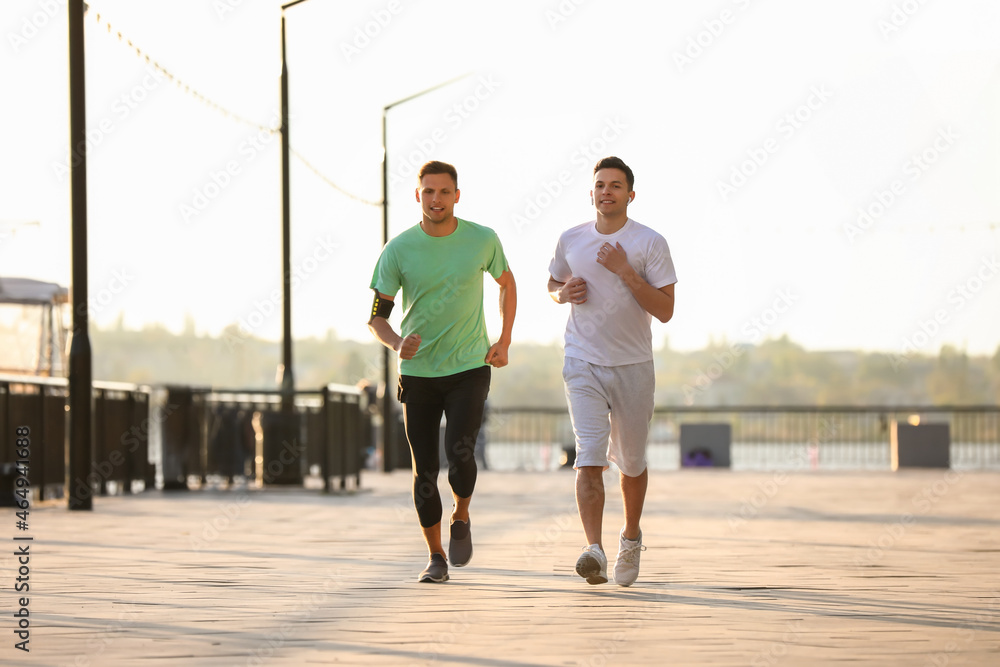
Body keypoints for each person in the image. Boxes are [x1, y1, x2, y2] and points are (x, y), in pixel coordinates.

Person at [368, 160, 516, 583]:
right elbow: (377, 317)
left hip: (470, 366)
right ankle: (435, 557)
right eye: (428, 192)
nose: (436, 199)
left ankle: (462, 515)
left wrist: (503, 340)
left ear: (456, 195)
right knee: (425, 469)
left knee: (461, 454)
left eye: (444, 192)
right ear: (418, 195)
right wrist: (398, 343)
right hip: (418, 373)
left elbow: (507, 283)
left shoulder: (482, 240)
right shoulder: (398, 250)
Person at [547, 156, 676, 587]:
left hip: (633, 365)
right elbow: (551, 286)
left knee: (632, 462)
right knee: (588, 456)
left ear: (630, 195)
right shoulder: (571, 239)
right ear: (591, 193)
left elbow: (666, 310)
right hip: (582, 359)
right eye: (600, 185)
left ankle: (631, 537)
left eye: (616, 185)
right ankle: (593, 549)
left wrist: (625, 272)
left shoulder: (649, 243)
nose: (607, 191)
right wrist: (562, 293)